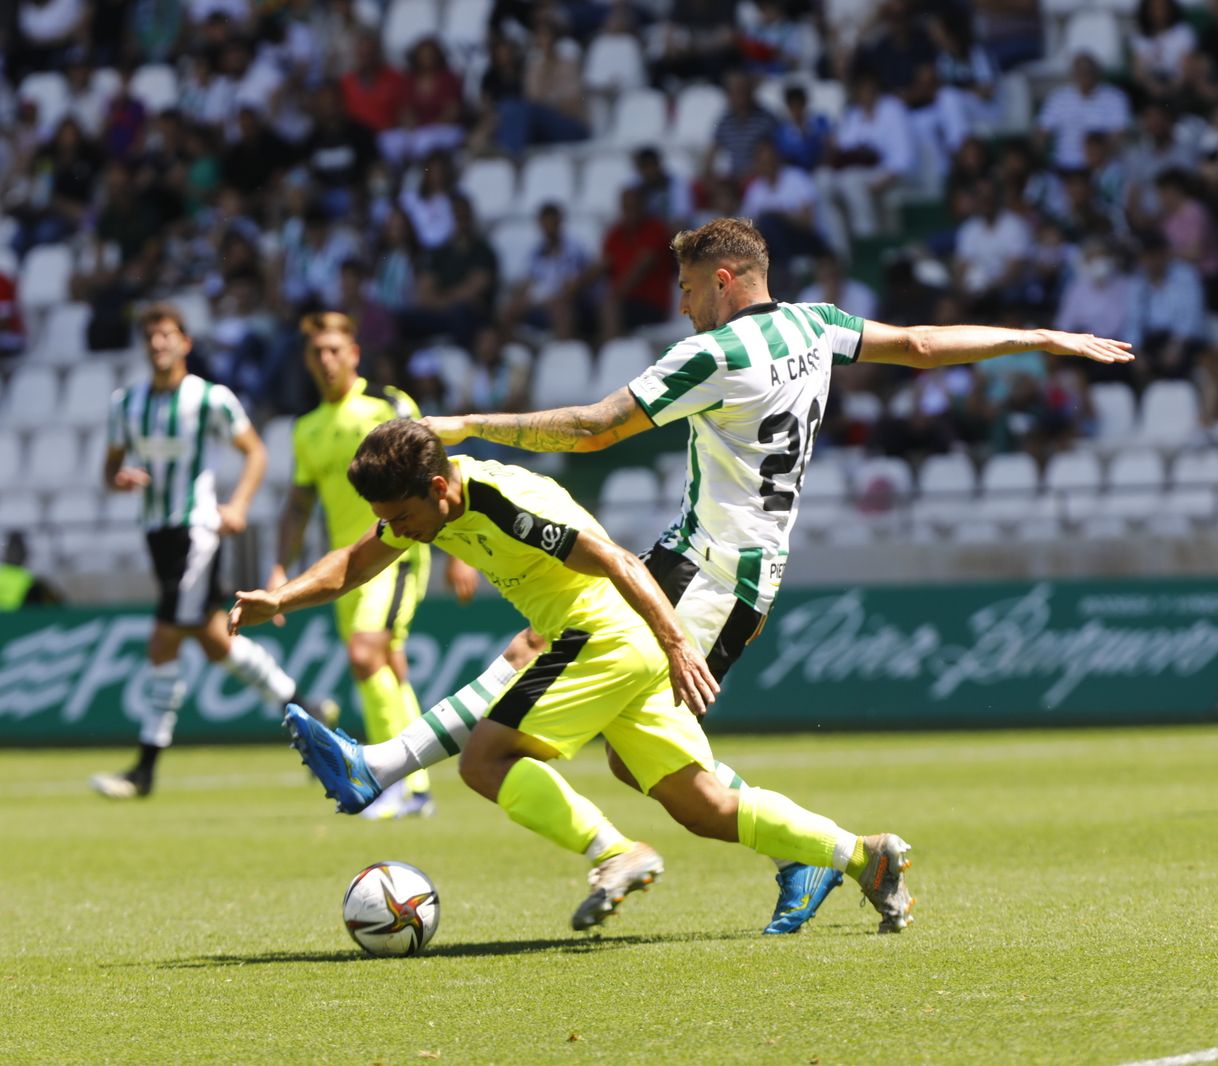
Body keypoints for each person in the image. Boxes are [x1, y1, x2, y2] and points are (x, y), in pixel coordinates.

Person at [264, 218, 1133, 934]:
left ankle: (385, 764)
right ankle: (855, 854)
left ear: (723, 279)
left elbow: (596, 427)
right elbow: (919, 342)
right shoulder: (815, 324)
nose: (681, 312)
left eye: (684, 292)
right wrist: (1037, 336)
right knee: (681, 791)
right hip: (733, 566)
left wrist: (469, 424)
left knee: (540, 664)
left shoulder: (711, 355)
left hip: (707, 571)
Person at [230, 420, 918, 934]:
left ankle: (616, 852)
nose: (398, 532)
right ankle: (863, 856)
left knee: (484, 761)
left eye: (403, 518)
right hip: (615, 645)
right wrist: (280, 599)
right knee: (702, 805)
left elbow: (618, 560)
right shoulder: (427, 509)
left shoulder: (503, 501)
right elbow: (354, 563)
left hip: (607, 637)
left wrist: (677, 643)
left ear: (438, 489)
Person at [90, 303, 332, 800]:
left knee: (163, 640)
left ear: (185, 342)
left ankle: (145, 770)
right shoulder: (127, 403)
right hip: (156, 534)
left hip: (197, 533)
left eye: (167, 335)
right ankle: (308, 713)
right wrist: (119, 480)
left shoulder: (209, 399)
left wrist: (238, 504)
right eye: (152, 337)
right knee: (218, 643)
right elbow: (109, 469)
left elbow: (256, 453)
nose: (159, 344)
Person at [270, 310, 477, 819]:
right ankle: (417, 789)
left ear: (354, 354)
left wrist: (458, 550)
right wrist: (280, 566)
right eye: (317, 352)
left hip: (398, 550)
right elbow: (298, 504)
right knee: (387, 667)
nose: (326, 359)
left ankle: (395, 783)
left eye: (335, 349)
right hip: (347, 566)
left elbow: (437, 472)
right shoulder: (307, 430)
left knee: (367, 654)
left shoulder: (387, 404)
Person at [0, 531, 64, 611]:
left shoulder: (34, 582)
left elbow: (57, 608)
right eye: (12, 550)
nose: (15, 554)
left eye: (19, 550)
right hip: (3, 628)